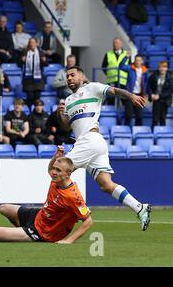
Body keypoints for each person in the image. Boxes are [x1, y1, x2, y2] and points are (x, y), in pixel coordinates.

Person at [57, 66, 151, 230]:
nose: (69, 78)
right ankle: (140, 207)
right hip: (89, 144)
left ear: (82, 76)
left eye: (73, 75)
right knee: (106, 185)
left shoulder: (92, 87)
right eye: (67, 76)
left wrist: (131, 96)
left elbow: (114, 90)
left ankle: (61, 214)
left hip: (90, 140)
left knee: (58, 170)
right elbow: (66, 127)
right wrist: (61, 115)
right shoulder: (69, 100)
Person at [0, 150, 93, 243]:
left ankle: (27, 234)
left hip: (45, 232)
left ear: (68, 173)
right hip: (39, 215)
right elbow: (50, 169)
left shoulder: (73, 196)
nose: (53, 172)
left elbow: (88, 221)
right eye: (54, 168)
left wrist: (69, 240)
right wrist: (55, 157)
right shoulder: (57, 180)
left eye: (58, 170)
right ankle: (21, 230)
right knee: (3, 208)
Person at [119, 54, 149, 126]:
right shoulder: (130, 68)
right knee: (128, 115)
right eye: (136, 60)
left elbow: (146, 83)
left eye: (139, 60)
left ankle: (138, 131)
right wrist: (126, 57)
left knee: (139, 116)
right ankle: (126, 131)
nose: (137, 62)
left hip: (139, 95)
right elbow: (121, 66)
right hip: (130, 94)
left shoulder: (145, 71)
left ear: (142, 61)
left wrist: (145, 93)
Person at [21, 38, 48, 108]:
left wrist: (44, 61)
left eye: (33, 42)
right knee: (30, 97)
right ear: (29, 44)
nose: (32, 44)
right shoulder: (25, 52)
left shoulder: (40, 52)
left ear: (36, 44)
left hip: (38, 80)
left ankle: (35, 114)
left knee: (37, 98)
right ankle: (29, 112)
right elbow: (18, 64)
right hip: (28, 79)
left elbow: (46, 64)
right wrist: (22, 60)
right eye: (31, 42)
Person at [102, 38, 130, 103]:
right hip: (112, 80)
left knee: (124, 100)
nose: (115, 44)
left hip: (123, 81)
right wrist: (110, 74)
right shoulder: (108, 54)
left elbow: (130, 67)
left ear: (121, 44)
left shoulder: (127, 54)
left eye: (117, 43)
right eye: (114, 43)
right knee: (110, 100)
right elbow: (103, 67)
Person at [147, 61, 173, 128]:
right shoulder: (154, 76)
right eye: (160, 67)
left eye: (164, 67)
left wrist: (159, 96)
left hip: (165, 101)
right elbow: (149, 87)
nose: (162, 69)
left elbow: (170, 91)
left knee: (162, 119)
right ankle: (153, 134)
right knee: (155, 119)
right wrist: (151, 94)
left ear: (166, 68)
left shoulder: (170, 78)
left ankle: (162, 134)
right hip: (156, 101)